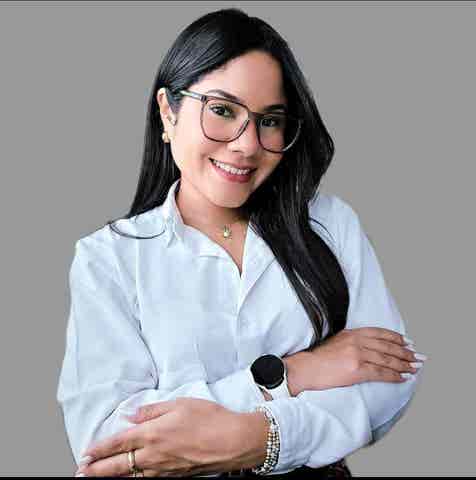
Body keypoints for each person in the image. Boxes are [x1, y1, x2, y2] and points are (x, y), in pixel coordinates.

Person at [57, 7, 426, 478]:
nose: (247, 145)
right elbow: (105, 438)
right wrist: (295, 373)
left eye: (269, 120)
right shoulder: (109, 257)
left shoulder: (330, 223)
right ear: (168, 111)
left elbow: (391, 377)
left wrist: (258, 440)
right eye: (223, 111)